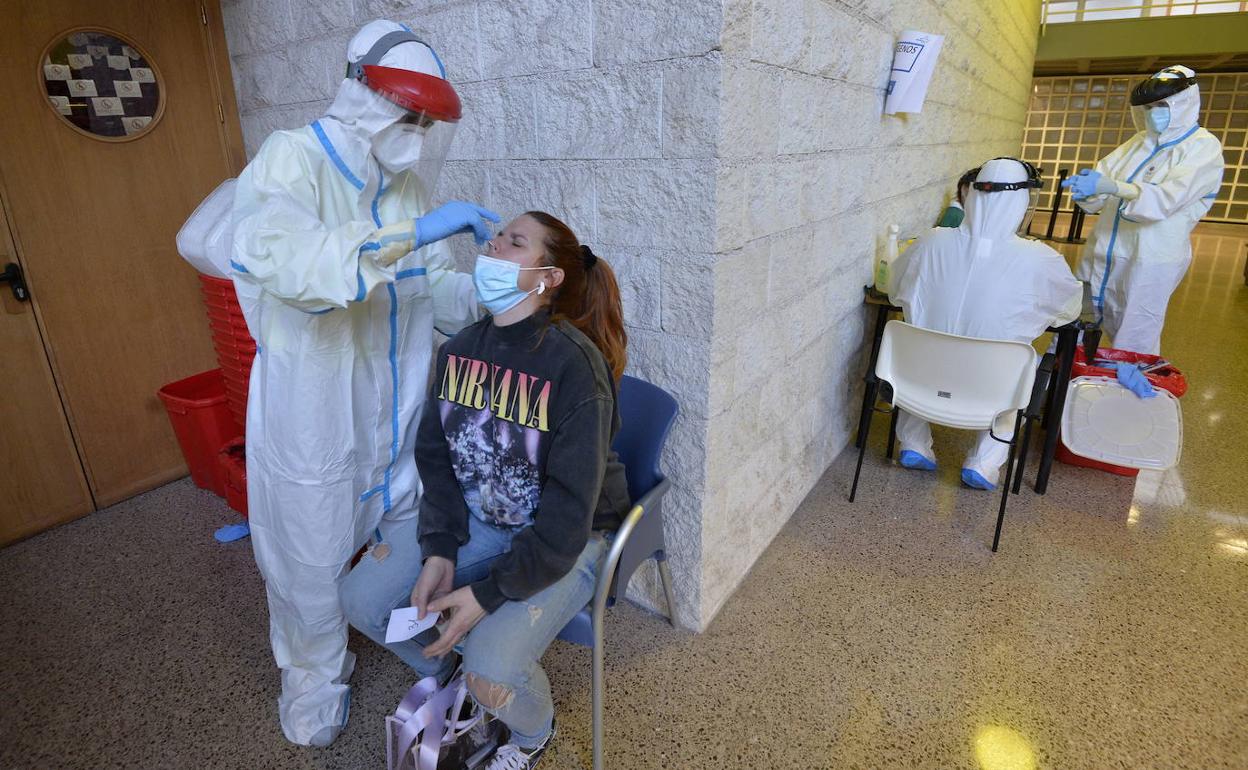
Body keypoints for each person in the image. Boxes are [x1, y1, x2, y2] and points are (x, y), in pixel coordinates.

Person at [230, 19, 500, 747]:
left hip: (397, 418)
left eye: (425, 119)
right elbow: (287, 261)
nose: (414, 129)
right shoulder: (292, 160)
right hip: (316, 422)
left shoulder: (409, 187)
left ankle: (412, 637)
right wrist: (410, 236)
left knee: (402, 544)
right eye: (405, 110)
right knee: (309, 567)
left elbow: (433, 291)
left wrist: (490, 293)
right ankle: (314, 685)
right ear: (358, 90)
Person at [341, 211, 631, 769]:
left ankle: (531, 735)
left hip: (568, 538)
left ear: (547, 278)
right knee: (361, 600)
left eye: (514, 242)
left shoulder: (575, 367)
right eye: (497, 236)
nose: (493, 244)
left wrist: (487, 594)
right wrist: (439, 548)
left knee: (492, 667)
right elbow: (437, 460)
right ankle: (452, 674)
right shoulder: (458, 352)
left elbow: (568, 516)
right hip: (482, 517)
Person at [890, 158, 1082, 490]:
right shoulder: (1040, 259)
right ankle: (984, 462)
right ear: (1022, 204)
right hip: (988, 389)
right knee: (1022, 365)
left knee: (919, 345)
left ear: (973, 196)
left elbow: (894, 290)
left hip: (920, 383)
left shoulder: (932, 241)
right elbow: (1070, 311)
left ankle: (913, 443)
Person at [1061, 65, 1224, 355]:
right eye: (1148, 107)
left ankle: (1123, 395)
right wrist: (1087, 189)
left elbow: (1164, 201)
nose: (1153, 113)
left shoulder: (1202, 148)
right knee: (1072, 326)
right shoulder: (1137, 143)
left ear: (1185, 102)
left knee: (1133, 339)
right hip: (1100, 253)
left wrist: (1114, 188)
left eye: (1162, 105)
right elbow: (1100, 189)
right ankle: (1062, 388)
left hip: (1148, 261)